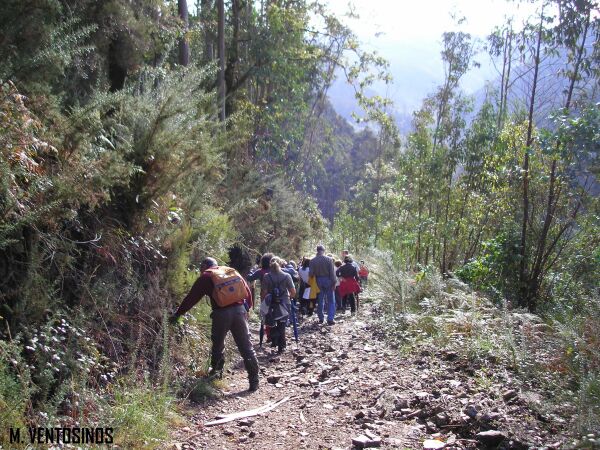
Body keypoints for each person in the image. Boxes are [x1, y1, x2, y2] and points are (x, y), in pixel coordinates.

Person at [171, 257, 259, 391]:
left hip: (221, 313)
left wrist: (178, 314)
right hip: (240, 311)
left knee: (218, 345)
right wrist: (246, 309)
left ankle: (216, 374)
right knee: (246, 347)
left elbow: (191, 298)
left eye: (201, 268)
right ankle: (254, 380)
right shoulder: (230, 271)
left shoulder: (206, 277)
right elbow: (246, 291)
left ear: (204, 266)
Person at [261, 258, 296, 353]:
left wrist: (263, 303)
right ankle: (281, 345)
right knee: (282, 324)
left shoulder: (266, 277)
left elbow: (264, 292)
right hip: (284, 303)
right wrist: (290, 297)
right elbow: (293, 292)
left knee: (271, 322)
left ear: (270, 265)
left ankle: (274, 340)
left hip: (271, 303)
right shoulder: (287, 276)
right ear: (280, 265)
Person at [309, 245, 336, 325]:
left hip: (318, 280)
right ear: (324, 250)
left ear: (317, 250)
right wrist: (334, 282)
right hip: (328, 280)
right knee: (331, 300)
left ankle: (321, 318)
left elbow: (311, 274)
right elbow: (332, 272)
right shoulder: (329, 259)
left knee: (320, 300)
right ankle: (330, 319)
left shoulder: (312, 261)